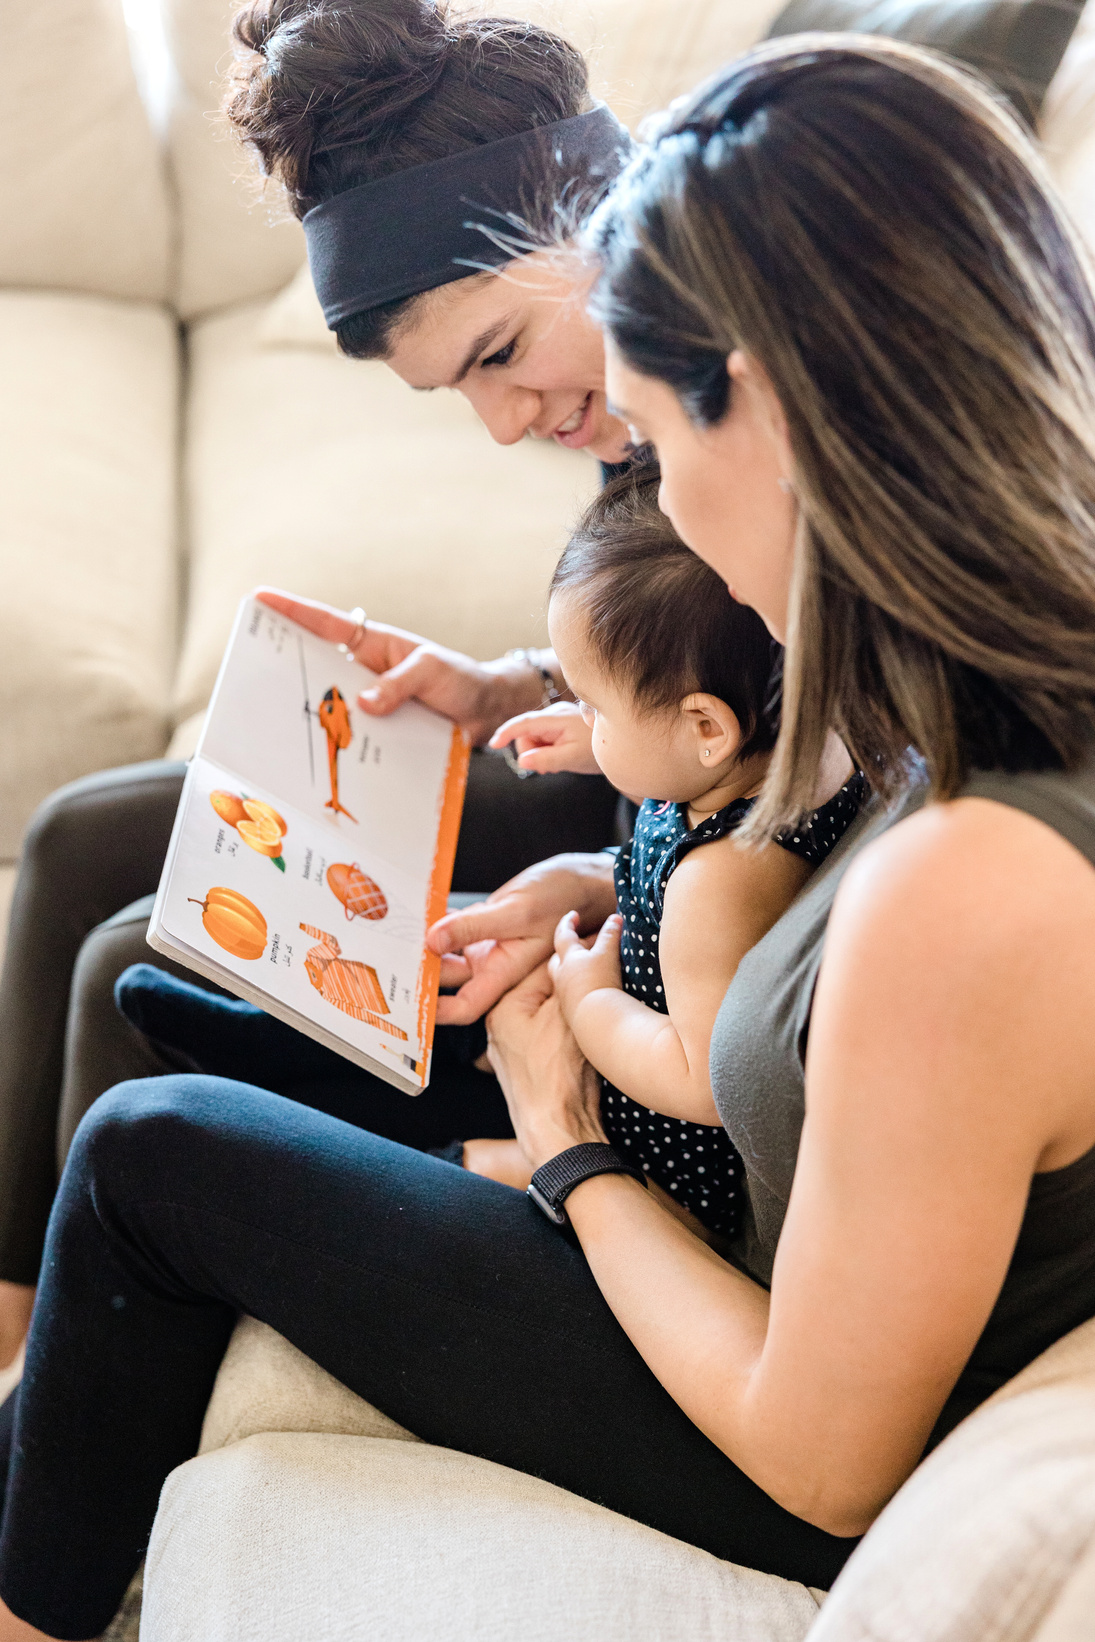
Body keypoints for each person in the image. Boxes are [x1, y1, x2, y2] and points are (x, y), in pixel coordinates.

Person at [5, 34, 1095, 1640]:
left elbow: (821, 1459)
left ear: (776, 413)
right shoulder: (942, 656)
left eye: (661, 429)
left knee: (149, 1146)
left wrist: (567, 1136)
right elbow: (770, 853)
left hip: (752, 1376)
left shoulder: (973, 879)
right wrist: (600, 890)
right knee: (155, 983)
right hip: (723, 1185)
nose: (671, 527)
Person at [0, 0, 645, 1366]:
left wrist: (586, 880)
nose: (505, 422)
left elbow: (761, 730)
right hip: (630, 766)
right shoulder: (634, 365)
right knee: (77, 841)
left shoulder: (730, 388)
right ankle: (15, 1340)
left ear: (597, 204)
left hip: (657, 841)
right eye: (456, 392)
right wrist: (501, 686)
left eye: (495, 356)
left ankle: (61, 1403)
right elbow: (689, 659)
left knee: (139, 955)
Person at [455, 464, 863, 1227]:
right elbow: (675, 754)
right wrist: (600, 738)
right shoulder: (788, 750)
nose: (581, 714)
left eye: (592, 703)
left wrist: (589, 1002)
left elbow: (700, 1080)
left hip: (666, 1159)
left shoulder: (720, 882)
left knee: (468, 1164)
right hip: (627, 1031)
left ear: (705, 728)